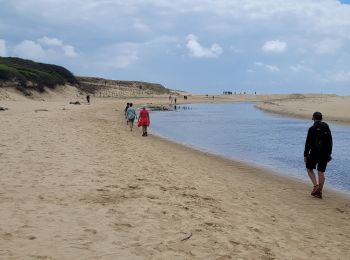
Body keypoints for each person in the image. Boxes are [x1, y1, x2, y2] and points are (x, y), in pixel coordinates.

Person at [304, 112, 332, 199]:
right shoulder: (326, 127)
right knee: (321, 172)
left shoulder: (311, 128)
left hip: (314, 152)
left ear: (313, 118)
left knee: (309, 169)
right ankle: (319, 191)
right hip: (325, 153)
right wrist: (329, 153)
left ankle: (316, 186)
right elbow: (330, 141)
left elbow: (308, 143)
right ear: (321, 118)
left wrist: (305, 154)